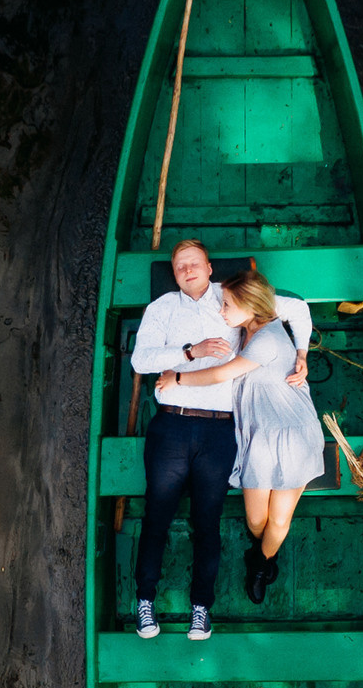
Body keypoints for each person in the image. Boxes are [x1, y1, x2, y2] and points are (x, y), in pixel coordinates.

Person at [156, 261, 322, 605]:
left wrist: (178, 378)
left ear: (250, 306)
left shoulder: (268, 338)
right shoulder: (246, 322)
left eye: (227, 305)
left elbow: (222, 374)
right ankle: (263, 550)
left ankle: (260, 564)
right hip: (259, 435)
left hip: (292, 433)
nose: (222, 310)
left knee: (279, 520)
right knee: (256, 519)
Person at [127, 239, 237, 640]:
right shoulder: (163, 308)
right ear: (174, 275)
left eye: (194, 263)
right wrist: (190, 352)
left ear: (210, 267)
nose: (187, 270)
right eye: (179, 267)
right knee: (157, 514)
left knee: (207, 520)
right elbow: (141, 360)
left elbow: (279, 312)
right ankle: (144, 600)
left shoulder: (231, 299)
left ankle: (201, 608)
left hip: (220, 429)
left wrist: (301, 353)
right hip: (172, 424)